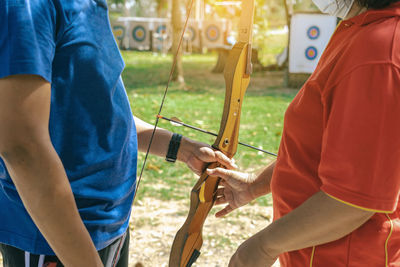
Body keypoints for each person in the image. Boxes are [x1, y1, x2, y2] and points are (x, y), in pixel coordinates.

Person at [0, 1, 235, 266]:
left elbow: (99, 112)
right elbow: (21, 146)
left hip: (109, 224)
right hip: (56, 238)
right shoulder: (27, 6)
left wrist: (181, 148)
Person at [208, 0, 400, 266]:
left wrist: (261, 248)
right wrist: (255, 184)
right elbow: (330, 149)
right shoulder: (361, 31)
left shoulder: (379, 50)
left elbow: (355, 200)